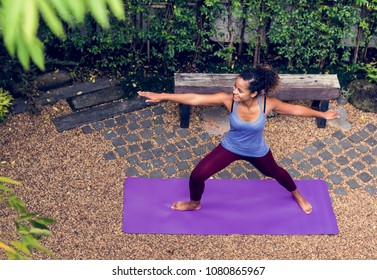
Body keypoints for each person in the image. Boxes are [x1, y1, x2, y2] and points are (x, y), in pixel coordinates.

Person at [138, 66, 339, 214]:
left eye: (240, 90)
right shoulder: (229, 100)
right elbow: (195, 99)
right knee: (197, 175)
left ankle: (297, 194)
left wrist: (321, 115)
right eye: (235, 87)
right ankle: (194, 203)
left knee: (276, 172)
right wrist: (163, 95)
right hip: (231, 147)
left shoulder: (268, 104)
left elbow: (295, 110)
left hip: (257, 151)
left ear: (253, 93)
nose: (234, 91)